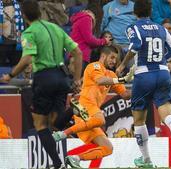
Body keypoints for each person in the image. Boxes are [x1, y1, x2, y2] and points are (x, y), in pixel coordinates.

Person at [0, 1, 83, 168]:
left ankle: (58, 164)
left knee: (40, 125)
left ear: (23, 16)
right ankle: (72, 111)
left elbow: (28, 58)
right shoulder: (56, 28)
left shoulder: (29, 32)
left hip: (44, 78)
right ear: (39, 12)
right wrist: (76, 79)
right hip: (62, 77)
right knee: (56, 123)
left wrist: (11, 74)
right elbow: (78, 52)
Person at [116, 0, 171, 167]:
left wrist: (123, 64)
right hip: (162, 73)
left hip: (143, 74)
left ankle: (146, 160)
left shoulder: (133, 27)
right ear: (150, 12)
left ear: (135, 13)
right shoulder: (161, 28)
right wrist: (162, 60)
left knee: (139, 119)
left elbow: (136, 45)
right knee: (165, 111)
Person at [52, 46, 133, 168]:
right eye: (112, 57)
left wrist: (141, 87)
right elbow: (100, 81)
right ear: (103, 56)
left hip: (91, 118)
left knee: (108, 148)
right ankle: (63, 133)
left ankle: (75, 158)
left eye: (116, 59)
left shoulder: (111, 75)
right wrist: (121, 79)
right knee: (101, 120)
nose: (114, 61)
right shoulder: (94, 66)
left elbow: (125, 95)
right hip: (85, 106)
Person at [70, 2, 111, 72]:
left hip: (78, 55)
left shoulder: (82, 18)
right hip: (80, 57)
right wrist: (104, 41)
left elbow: (86, 42)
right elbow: (90, 40)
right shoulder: (87, 18)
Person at [0, 0, 24, 66]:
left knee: (16, 68)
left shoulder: (19, 5)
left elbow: (23, 23)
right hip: (1, 44)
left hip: (16, 44)